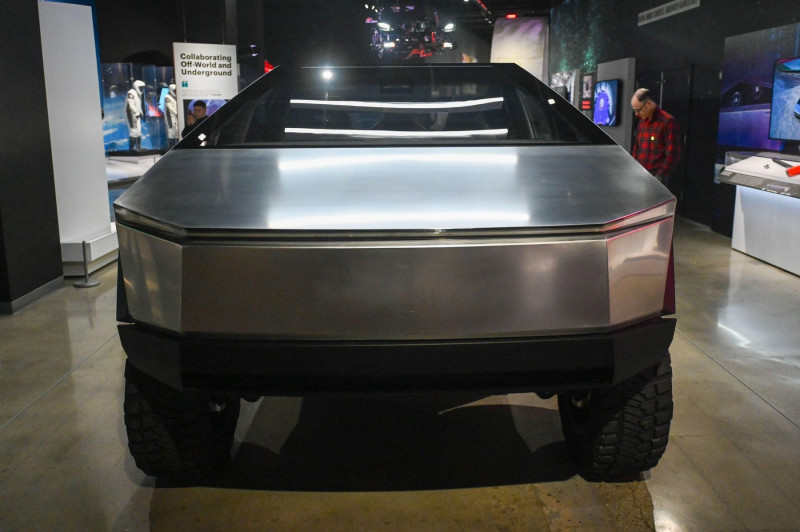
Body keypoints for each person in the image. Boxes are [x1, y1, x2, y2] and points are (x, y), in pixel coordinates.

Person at [630, 88, 681, 186]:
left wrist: (660, 176)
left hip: (656, 178)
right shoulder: (641, 123)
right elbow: (636, 149)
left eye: (638, 110)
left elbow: (673, 154)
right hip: (639, 176)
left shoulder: (667, 122)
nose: (636, 114)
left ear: (648, 104)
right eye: (634, 111)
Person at [125, 80, 145, 151]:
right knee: (133, 131)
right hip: (130, 115)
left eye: (143, 87)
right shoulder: (131, 93)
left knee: (138, 131)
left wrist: (141, 112)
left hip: (137, 115)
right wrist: (136, 112)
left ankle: (138, 147)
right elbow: (131, 105)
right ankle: (131, 149)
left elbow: (138, 105)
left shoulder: (137, 94)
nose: (142, 89)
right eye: (141, 87)